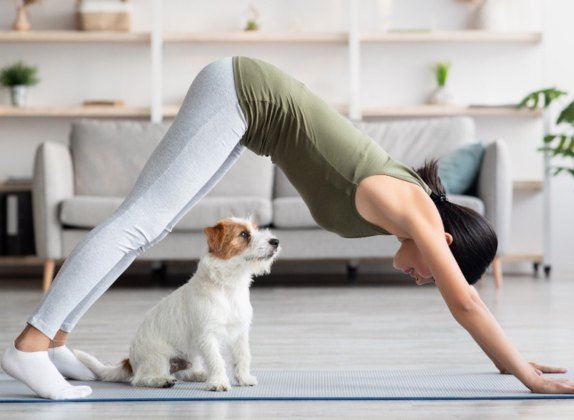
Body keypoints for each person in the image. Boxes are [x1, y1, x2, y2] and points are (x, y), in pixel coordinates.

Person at [2, 57, 573, 399]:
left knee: (149, 225)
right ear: (444, 245)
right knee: (140, 224)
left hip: (248, 113)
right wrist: (524, 373)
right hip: (240, 93)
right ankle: (30, 345)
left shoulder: (411, 209)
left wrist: (509, 362)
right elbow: (467, 303)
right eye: (434, 273)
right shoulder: (416, 213)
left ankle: (55, 344)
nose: (424, 280)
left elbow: (462, 296)